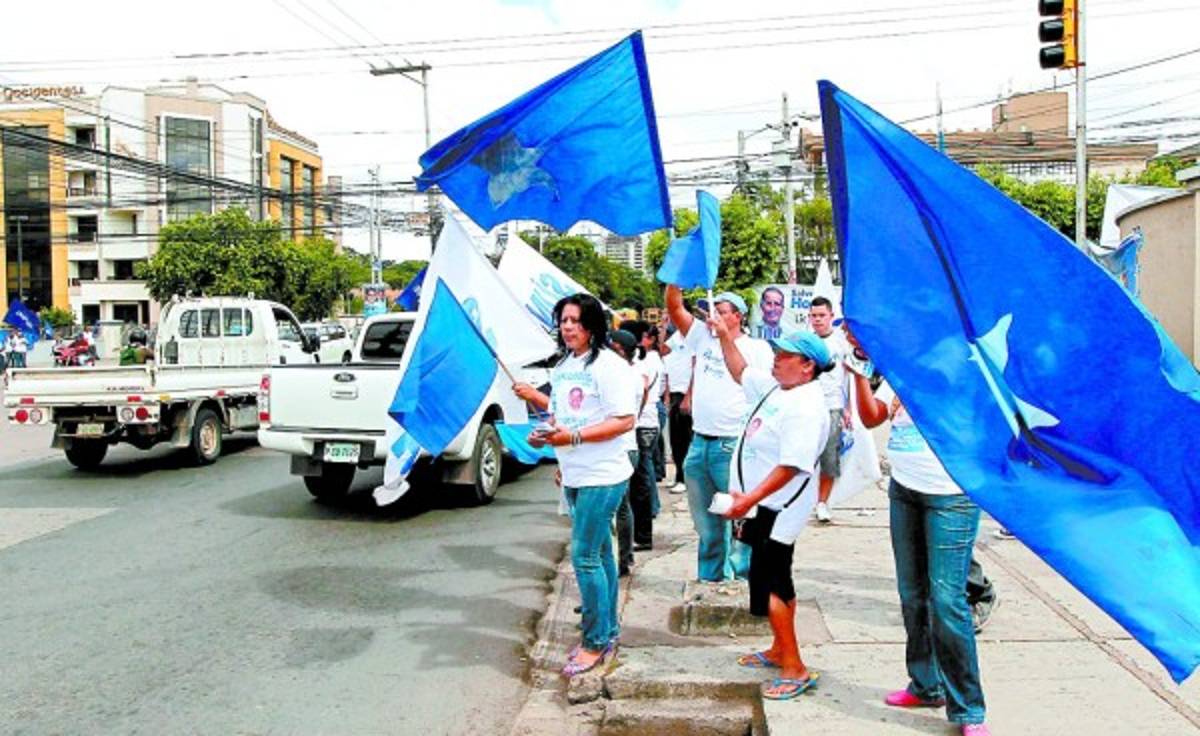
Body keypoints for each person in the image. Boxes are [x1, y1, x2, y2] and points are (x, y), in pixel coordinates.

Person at [844, 327, 990, 735]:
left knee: (947, 602)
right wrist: (858, 368)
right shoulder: (902, 372)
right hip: (905, 489)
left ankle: (969, 710)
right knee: (912, 595)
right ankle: (926, 684)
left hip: (951, 497)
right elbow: (874, 416)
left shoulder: (969, 374)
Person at [708, 314, 831, 701]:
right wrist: (727, 336)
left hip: (779, 507)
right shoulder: (779, 390)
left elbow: (792, 465)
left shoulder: (807, 405)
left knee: (776, 581)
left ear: (807, 365)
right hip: (762, 505)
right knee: (763, 580)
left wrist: (749, 499)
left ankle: (795, 666)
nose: (775, 359)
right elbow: (741, 370)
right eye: (776, 352)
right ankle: (779, 649)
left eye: (784, 354)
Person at [516, 293, 636, 678]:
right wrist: (546, 436)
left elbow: (624, 420)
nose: (568, 327)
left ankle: (595, 642)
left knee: (584, 557)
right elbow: (562, 414)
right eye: (563, 320)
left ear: (593, 326)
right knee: (601, 557)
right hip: (575, 473)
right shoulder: (566, 365)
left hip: (603, 474)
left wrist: (574, 439)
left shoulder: (610, 367)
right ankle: (607, 631)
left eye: (576, 320)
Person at [665, 285, 774, 582]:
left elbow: (763, 392)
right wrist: (676, 279)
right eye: (712, 312)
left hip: (733, 444)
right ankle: (711, 579)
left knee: (740, 518)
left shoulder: (758, 349)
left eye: (722, 312)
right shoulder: (702, 337)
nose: (714, 318)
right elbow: (675, 309)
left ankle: (743, 580)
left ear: (737, 316)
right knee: (707, 522)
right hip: (700, 442)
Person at [807, 297, 851, 524]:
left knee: (829, 458)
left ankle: (822, 503)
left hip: (833, 406)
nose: (817, 320)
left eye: (821, 315)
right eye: (813, 316)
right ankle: (801, 500)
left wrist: (848, 409)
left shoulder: (841, 343)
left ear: (831, 317)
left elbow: (850, 377)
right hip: (808, 406)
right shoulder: (805, 342)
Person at [606, 328, 642, 577]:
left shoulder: (623, 376)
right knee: (622, 507)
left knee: (615, 508)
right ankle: (624, 557)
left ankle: (618, 560)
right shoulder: (631, 375)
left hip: (622, 446)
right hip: (627, 445)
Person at [661, 321, 693, 494]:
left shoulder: (694, 338)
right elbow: (662, 350)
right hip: (674, 393)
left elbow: (696, 370)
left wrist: (689, 397)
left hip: (685, 394)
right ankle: (678, 476)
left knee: (685, 440)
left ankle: (684, 478)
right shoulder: (676, 338)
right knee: (675, 440)